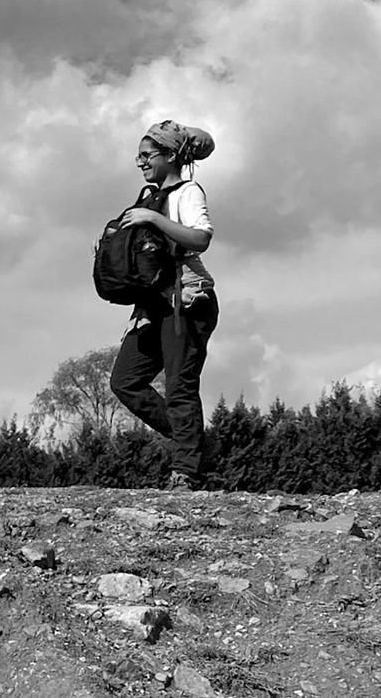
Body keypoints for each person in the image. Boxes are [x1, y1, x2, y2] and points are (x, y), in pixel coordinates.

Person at [109, 119, 218, 491]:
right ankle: (198, 444)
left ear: (171, 155)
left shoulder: (187, 192)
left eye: (147, 154)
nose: (140, 161)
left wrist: (153, 218)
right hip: (154, 303)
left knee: (179, 387)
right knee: (125, 381)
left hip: (188, 299)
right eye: (138, 155)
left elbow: (200, 239)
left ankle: (186, 471)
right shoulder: (148, 198)